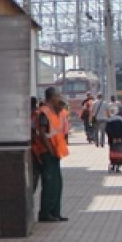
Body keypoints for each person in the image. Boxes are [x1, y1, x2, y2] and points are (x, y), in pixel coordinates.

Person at [36, 87, 70, 222]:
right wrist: (50, 149)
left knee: (57, 183)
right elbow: (43, 134)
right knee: (50, 183)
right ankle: (45, 213)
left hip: (56, 152)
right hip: (47, 152)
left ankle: (55, 212)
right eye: (58, 96)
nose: (60, 98)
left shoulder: (56, 112)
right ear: (52, 97)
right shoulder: (44, 113)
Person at [30, 96, 46, 194]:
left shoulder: (24, 114)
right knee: (36, 172)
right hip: (37, 149)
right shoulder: (37, 114)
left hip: (32, 148)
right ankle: (31, 191)